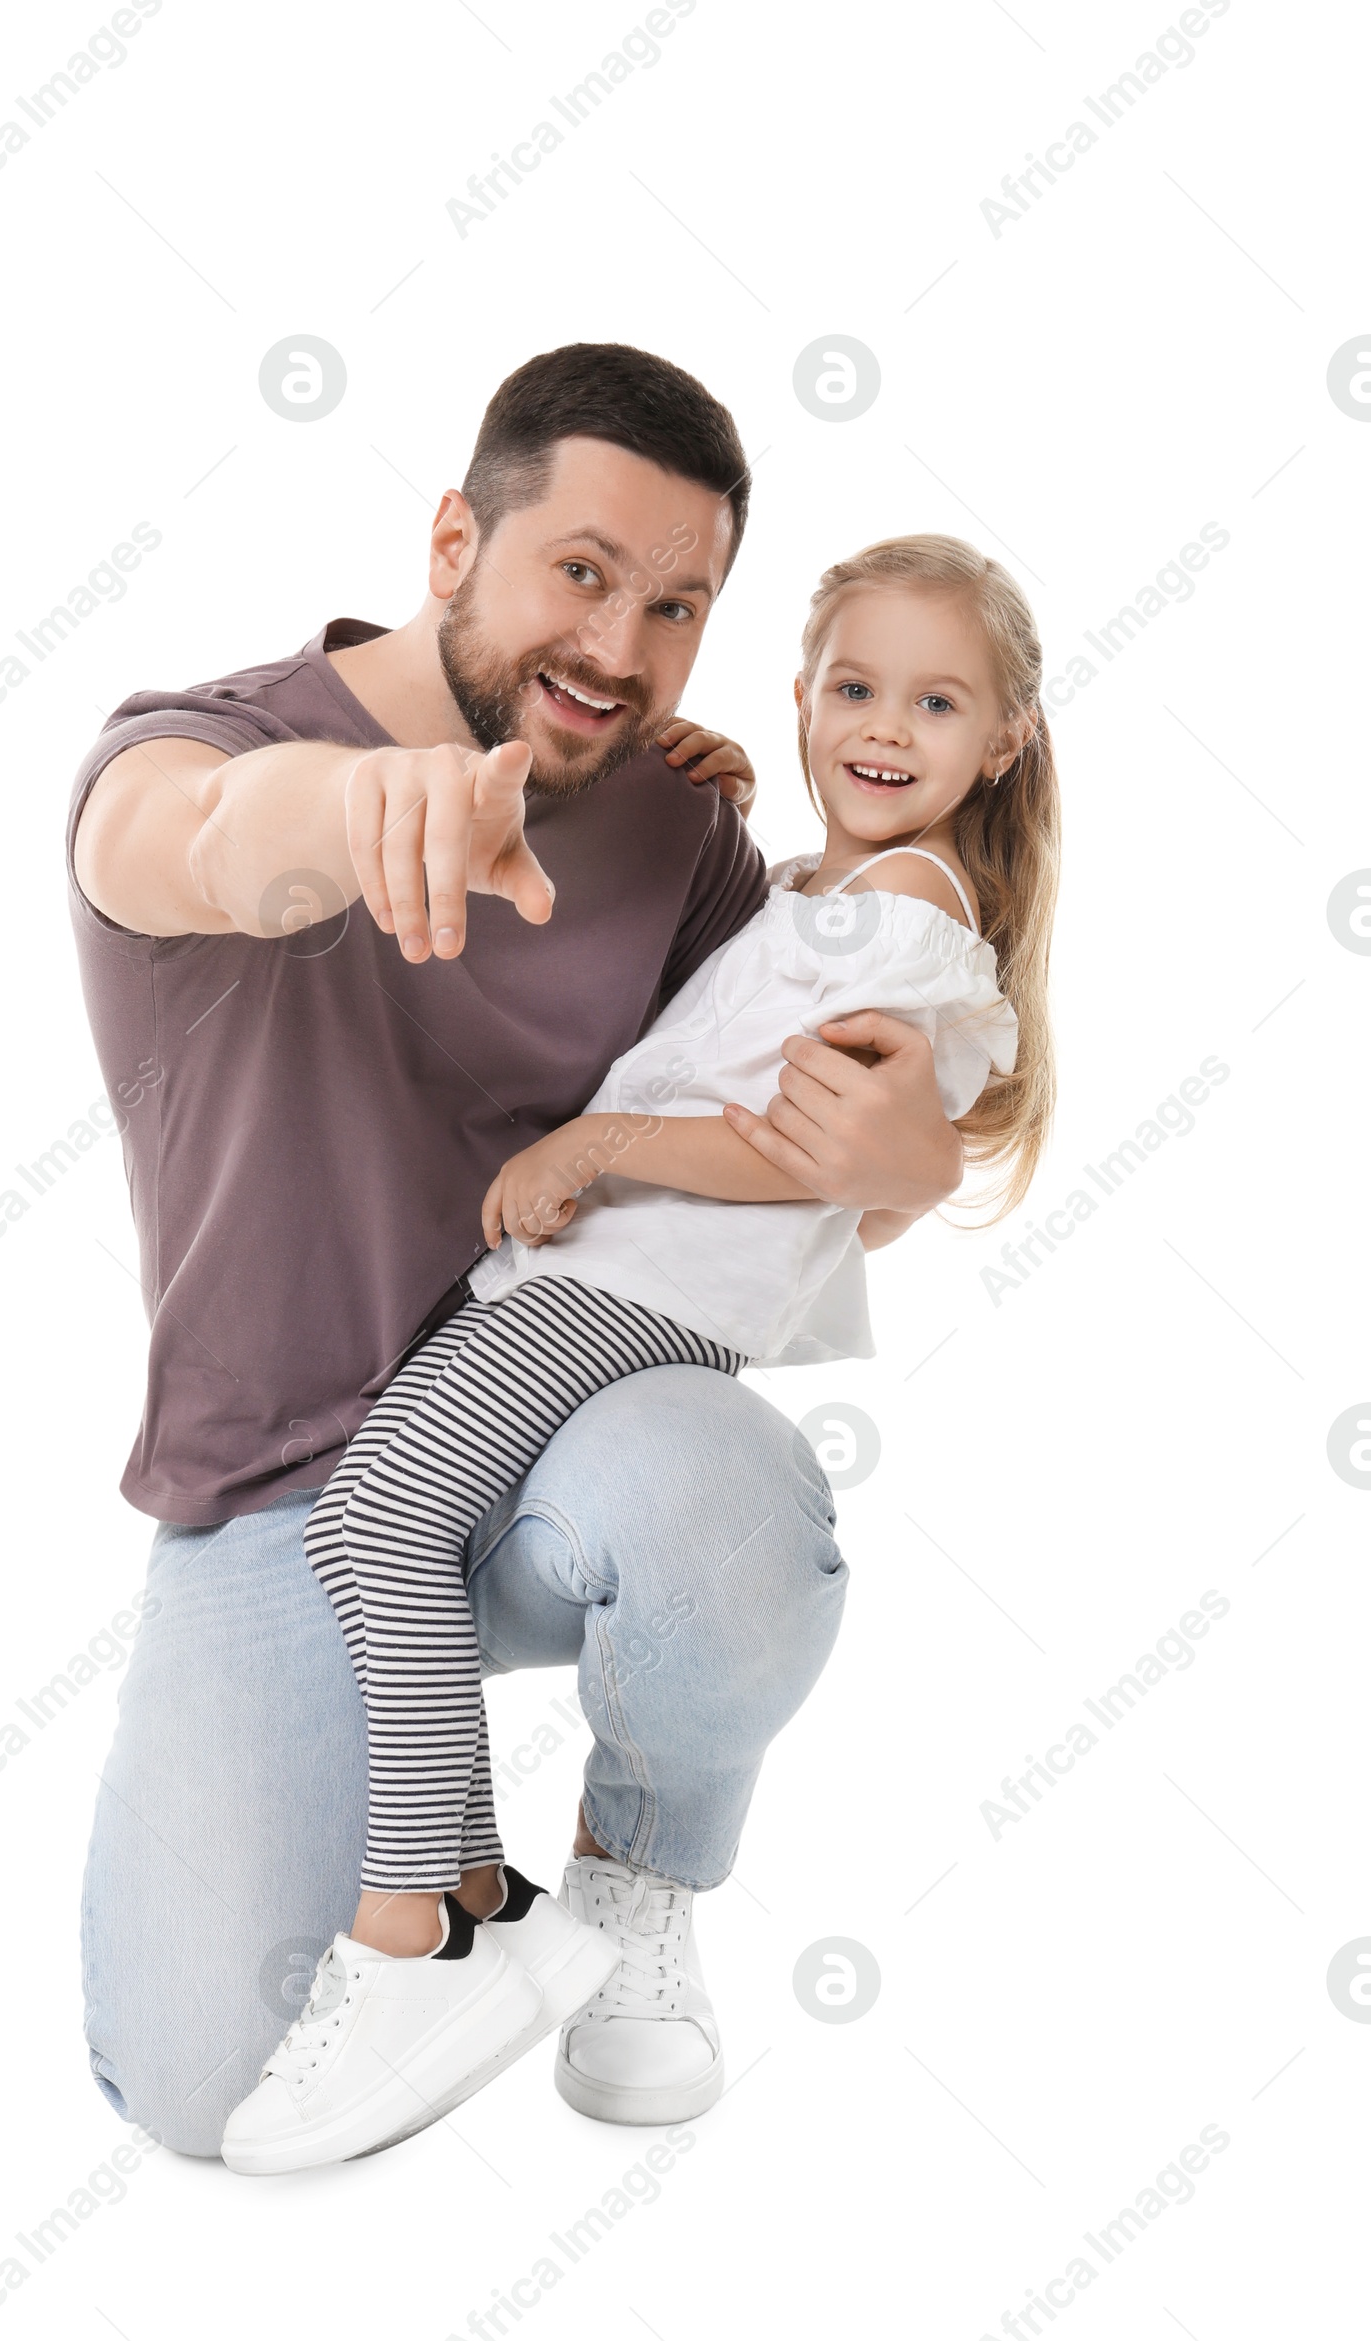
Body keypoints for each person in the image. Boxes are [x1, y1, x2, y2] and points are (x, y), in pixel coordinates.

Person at [70, 345, 967, 2162]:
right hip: (277, 1485)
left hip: (563, 1428)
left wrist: (916, 1171)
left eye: (677, 606)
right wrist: (349, 810)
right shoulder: (215, 745)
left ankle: (628, 1897)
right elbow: (193, 844)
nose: (623, 649)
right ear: (453, 535)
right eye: (580, 573)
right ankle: (455, 1886)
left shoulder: (680, 820)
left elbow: (780, 1130)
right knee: (193, 2088)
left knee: (730, 1503)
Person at [220, 533, 1058, 2173]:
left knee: (378, 1524)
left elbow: (800, 1145)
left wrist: (599, 1143)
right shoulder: (839, 893)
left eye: (936, 701)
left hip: (632, 1286)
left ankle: (410, 1943)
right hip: (615, 1281)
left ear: (1003, 738)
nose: (884, 726)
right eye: (853, 686)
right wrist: (728, 802)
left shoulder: (904, 916)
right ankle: (472, 1900)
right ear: (805, 695)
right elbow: (745, 1030)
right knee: (392, 1524)